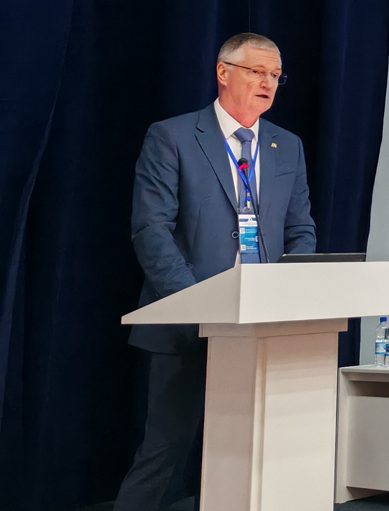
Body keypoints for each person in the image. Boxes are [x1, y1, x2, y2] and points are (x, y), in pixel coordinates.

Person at [115, 34, 317, 511]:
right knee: (165, 451)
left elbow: (300, 229)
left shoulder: (286, 146)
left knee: (250, 454)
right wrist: (198, 305)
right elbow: (151, 229)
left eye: (275, 75)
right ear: (223, 72)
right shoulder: (174, 136)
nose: (267, 83)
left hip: (262, 326)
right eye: (257, 71)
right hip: (190, 322)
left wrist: (289, 293)